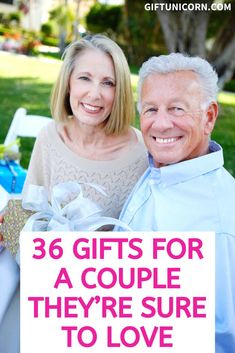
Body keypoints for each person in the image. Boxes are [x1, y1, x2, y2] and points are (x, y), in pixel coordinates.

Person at [0, 34, 148, 353]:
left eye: (108, 82)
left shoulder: (140, 154)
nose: (95, 94)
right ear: (68, 82)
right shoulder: (49, 137)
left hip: (102, 307)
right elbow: (27, 212)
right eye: (85, 78)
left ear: (120, 90)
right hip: (45, 289)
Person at [118, 53, 235, 353]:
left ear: (209, 116)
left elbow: (222, 339)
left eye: (177, 109)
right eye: (150, 109)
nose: (161, 123)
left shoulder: (219, 224)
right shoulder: (161, 167)